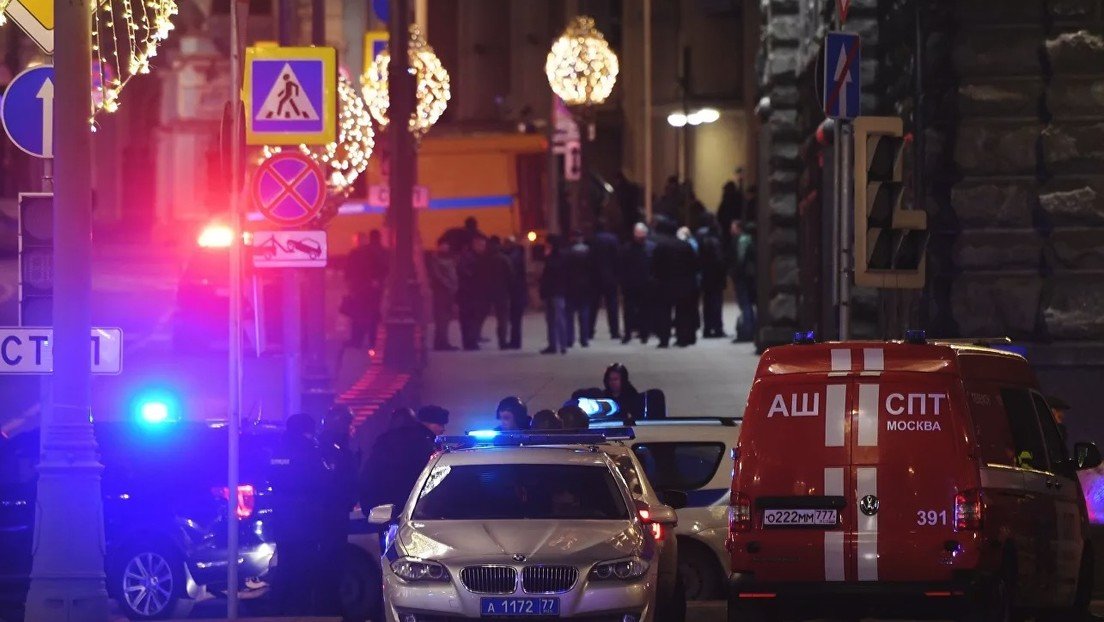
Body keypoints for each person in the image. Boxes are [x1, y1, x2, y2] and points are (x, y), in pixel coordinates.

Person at [269, 413, 329, 615]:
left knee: (285, 563)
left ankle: (278, 608)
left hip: (283, 516)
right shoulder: (309, 450)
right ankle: (298, 610)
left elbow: (272, 479)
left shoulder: (278, 449)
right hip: (305, 518)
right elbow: (320, 480)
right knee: (304, 567)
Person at [359, 406, 449, 515]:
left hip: (381, 502)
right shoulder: (421, 442)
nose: (443, 429)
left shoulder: (385, 439)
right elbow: (420, 473)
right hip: (406, 501)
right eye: (440, 424)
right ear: (427, 423)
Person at [316, 406, 358, 615]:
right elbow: (338, 481)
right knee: (331, 562)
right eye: (349, 422)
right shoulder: (331, 448)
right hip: (331, 514)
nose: (353, 428)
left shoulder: (334, 446)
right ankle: (330, 608)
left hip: (331, 512)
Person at [652, 217, 700, 348]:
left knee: (664, 312)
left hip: (665, 283)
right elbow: (695, 264)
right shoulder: (685, 246)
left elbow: (654, 265)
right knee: (682, 312)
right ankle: (682, 338)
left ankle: (664, 338)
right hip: (684, 284)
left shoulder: (661, 246)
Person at [343, 230, 389, 349]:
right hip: (375, 289)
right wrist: (378, 281)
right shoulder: (382, 252)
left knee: (358, 315)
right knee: (373, 314)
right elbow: (386, 269)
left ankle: (356, 340)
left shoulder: (357, 252)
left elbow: (349, 271)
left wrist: (350, 287)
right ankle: (372, 340)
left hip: (359, 288)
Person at [619, 223, 655, 344]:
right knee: (629, 310)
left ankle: (644, 333)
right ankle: (628, 333)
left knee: (645, 309)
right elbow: (621, 266)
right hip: (631, 284)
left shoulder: (651, 247)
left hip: (646, 284)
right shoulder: (626, 248)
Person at [457, 235, 494, 350]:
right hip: (468, 293)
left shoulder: (477, 257)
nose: (483, 248)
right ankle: (470, 342)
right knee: (469, 318)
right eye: (480, 245)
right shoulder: (470, 257)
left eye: (484, 245)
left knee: (471, 318)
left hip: (473, 293)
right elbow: (465, 273)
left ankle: (470, 342)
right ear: (474, 244)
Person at [588, 224, 621, 340]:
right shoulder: (613, 239)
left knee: (593, 306)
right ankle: (614, 331)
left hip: (595, 277)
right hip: (611, 277)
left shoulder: (592, 240)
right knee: (612, 305)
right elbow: (617, 257)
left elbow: (589, 259)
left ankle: (589, 330)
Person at [426, 237, 459, 351]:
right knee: (441, 319)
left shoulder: (448, 259)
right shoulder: (435, 259)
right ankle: (441, 343)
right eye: (444, 244)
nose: (446, 247)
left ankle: (442, 342)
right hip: (441, 293)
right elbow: (437, 276)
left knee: (445, 319)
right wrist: (449, 284)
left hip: (448, 292)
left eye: (447, 245)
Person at [697, 215, 727, 338]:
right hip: (717, 275)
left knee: (707, 302)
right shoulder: (718, 237)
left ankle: (707, 329)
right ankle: (717, 328)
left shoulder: (701, 235)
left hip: (706, 274)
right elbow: (720, 258)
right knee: (717, 302)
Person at [539, 235, 570, 355]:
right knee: (554, 318)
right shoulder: (560, 257)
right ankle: (557, 344)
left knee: (556, 318)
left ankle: (559, 344)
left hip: (555, 291)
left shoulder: (554, 258)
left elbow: (548, 274)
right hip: (556, 291)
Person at [729, 221, 758, 342]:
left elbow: (739, 260)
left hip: (743, 276)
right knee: (751, 304)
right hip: (752, 276)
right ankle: (751, 330)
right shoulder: (755, 240)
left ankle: (747, 332)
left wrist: (735, 275)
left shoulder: (742, 240)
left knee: (745, 304)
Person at [564, 230, 593, 347]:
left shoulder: (568, 252)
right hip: (585, 286)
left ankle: (570, 339)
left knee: (569, 314)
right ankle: (584, 339)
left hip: (571, 286)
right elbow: (592, 270)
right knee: (584, 313)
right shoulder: (588, 252)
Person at [487, 236, 515, 350]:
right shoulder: (504, 259)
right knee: (502, 319)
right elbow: (511, 276)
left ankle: (473, 338)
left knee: (479, 316)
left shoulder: (485, 258)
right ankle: (502, 342)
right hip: (503, 292)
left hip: (489, 292)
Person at [502, 236, 528, 349]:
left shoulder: (513, 256)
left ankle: (515, 342)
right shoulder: (518, 254)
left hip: (516, 290)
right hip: (518, 290)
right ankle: (515, 341)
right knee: (515, 319)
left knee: (515, 318)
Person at [716, 179, 745, 251]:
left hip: (726, 224)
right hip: (735, 224)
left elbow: (720, 212)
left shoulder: (727, 199)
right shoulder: (738, 197)